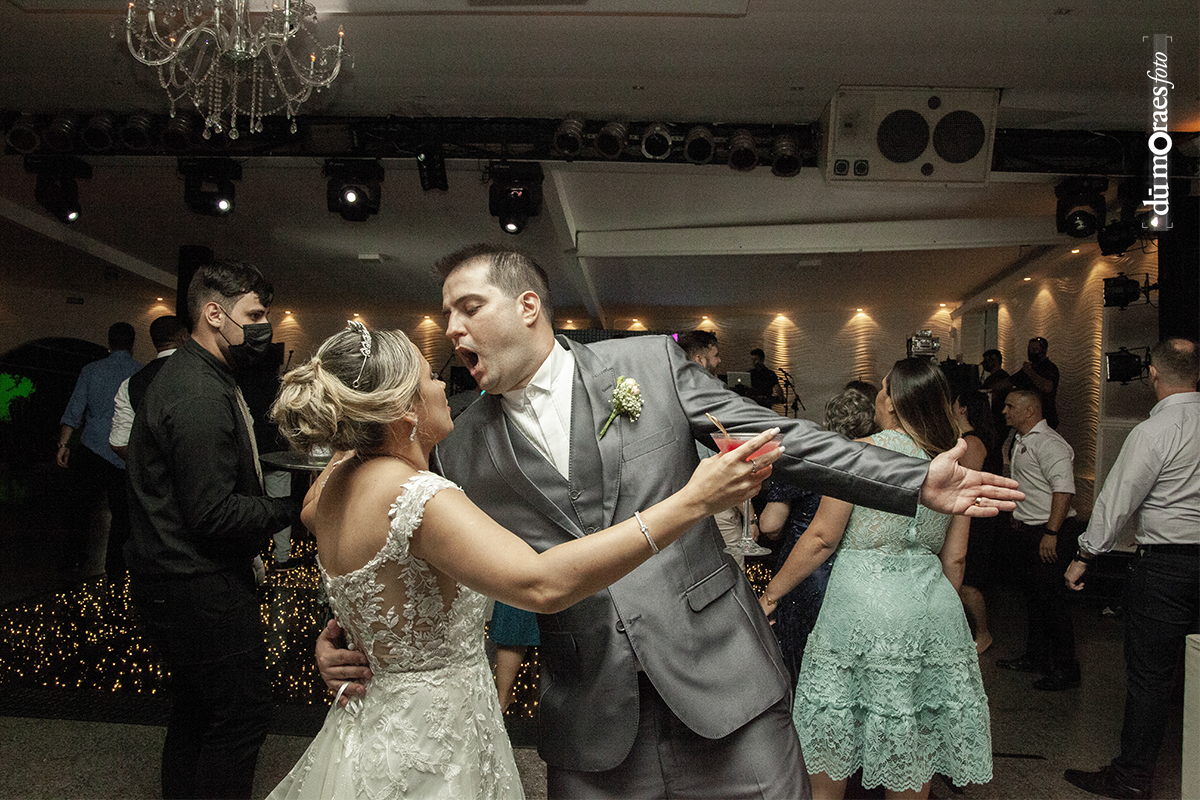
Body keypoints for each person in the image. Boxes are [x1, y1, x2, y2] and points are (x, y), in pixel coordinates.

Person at [317, 244, 1020, 799]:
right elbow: (399, 537)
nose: (452, 329)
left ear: (528, 306)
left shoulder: (646, 363)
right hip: (591, 717)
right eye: (447, 315)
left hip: (726, 683)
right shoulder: (459, 444)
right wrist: (347, 634)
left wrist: (911, 478)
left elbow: (775, 437)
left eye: (469, 307)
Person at [267, 322, 784, 799]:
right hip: (432, 740)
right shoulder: (419, 497)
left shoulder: (329, 487)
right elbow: (541, 584)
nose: (443, 386)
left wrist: (353, 633)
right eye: (429, 378)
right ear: (404, 410)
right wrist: (693, 501)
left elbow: (355, 555)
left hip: (373, 719)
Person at [759, 358, 991, 800]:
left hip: (860, 608)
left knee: (832, 747)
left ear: (892, 401)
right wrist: (932, 618)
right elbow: (956, 558)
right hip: (931, 608)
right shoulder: (950, 461)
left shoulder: (859, 454)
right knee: (912, 746)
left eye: (883, 389)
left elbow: (822, 538)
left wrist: (771, 595)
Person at [125, 260, 292, 800]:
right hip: (195, 583)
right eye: (255, 315)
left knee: (197, 710)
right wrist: (291, 508)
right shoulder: (197, 391)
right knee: (243, 713)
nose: (264, 326)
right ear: (215, 314)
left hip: (176, 578)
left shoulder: (206, 376)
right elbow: (212, 514)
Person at [1062, 338, 1200, 800]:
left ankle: (1132, 778)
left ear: (1153, 374)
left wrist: (1085, 556)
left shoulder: (1154, 432)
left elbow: (1117, 501)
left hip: (1166, 569)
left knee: (1151, 676)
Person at [758, 386, 877, 688]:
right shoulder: (877, 464)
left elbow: (771, 524)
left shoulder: (808, 463)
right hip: (859, 575)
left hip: (806, 572)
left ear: (827, 422)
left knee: (802, 660)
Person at [996, 389, 1081, 690]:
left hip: (1050, 531)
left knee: (1053, 602)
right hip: (1029, 529)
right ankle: (1037, 657)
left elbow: (1063, 491)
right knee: (1034, 598)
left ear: (1029, 411)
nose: (1004, 411)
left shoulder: (1049, 444)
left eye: (1010, 406)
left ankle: (1066, 669)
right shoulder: (1020, 440)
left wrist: (1051, 533)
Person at [56, 321, 141, 579]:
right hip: (124, 452)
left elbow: (75, 410)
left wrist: (64, 444)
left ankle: (73, 559)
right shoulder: (140, 372)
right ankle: (116, 564)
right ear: (132, 345)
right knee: (122, 513)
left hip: (92, 448)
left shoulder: (91, 370)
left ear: (109, 343)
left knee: (80, 508)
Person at [677, 329, 756, 567]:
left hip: (679, 506)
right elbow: (726, 463)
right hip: (717, 504)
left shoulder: (674, 396)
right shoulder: (711, 399)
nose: (719, 361)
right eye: (716, 355)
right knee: (733, 570)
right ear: (700, 359)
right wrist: (750, 518)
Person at [952, 388, 1001, 654]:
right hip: (972, 518)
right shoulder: (968, 438)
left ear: (963, 408)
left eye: (955, 402)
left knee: (967, 583)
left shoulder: (972, 441)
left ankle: (983, 634)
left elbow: (966, 486)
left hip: (974, 521)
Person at [109, 314, 189, 461]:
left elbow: (119, 444)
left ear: (154, 342)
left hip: (151, 472)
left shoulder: (130, 384)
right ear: (185, 336)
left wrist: (151, 465)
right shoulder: (204, 373)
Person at [1010, 337, 1060, 429]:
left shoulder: (1049, 367)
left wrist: (1031, 372)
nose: (1031, 352)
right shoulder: (1029, 368)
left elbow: (1048, 387)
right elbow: (1010, 381)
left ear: (1043, 350)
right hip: (1027, 415)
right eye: (1029, 349)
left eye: (1035, 349)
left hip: (1044, 416)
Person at [980, 349, 1011, 435]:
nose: (983, 363)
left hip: (998, 418)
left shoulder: (1002, 377)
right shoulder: (991, 378)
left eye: (986, 360)